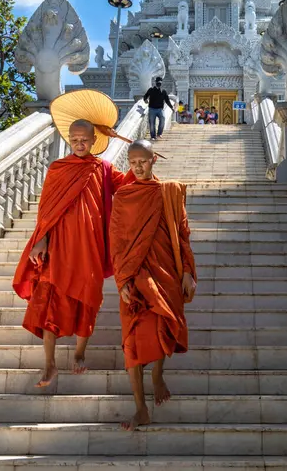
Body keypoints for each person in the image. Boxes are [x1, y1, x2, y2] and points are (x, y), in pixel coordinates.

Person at [13, 119, 132, 388]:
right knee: (48, 303)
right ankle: (49, 364)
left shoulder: (102, 168)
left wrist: (131, 146)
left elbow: (129, 184)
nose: (80, 144)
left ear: (93, 141)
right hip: (57, 246)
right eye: (75, 139)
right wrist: (41, 239)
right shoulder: (58, 168)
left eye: (85, 140)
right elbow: (46, 207)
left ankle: (79, 354)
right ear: (69, 139)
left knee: (88, 299)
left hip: (90, 247)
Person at [110, 139, 197, 431]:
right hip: (134, 276)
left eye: (143, 161)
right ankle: (140, 408)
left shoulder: (169, 192)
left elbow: (183, 235)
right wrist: (121, 279)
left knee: (162, 328)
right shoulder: (122, 197)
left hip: (166, 273)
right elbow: (117, 242)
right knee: (132, 342)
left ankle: (158, 374)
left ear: (153, 159)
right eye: (132, 161)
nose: (137, 166)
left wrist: (187, 271)